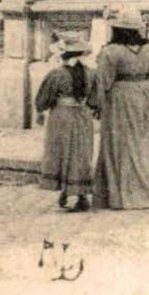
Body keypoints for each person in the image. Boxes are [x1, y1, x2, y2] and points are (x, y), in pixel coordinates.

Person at [91, 10, 149, 210]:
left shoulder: (110, 52)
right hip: (143, 96)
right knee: (142, 142)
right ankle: (147, 188)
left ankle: (120, 193)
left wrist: (97, 105)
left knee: (119, 142)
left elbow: (103, 82)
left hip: (119, 97)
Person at [36, 35, 94, 212]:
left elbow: (44, 99)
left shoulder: (56, 74)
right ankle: (80, 194)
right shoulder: (91, 73)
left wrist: (41, 109)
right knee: (81, 153)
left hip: (61, 116)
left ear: (62, 55)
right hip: (83, 116)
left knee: (62, 151)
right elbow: (96, 99)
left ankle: (65, 190)